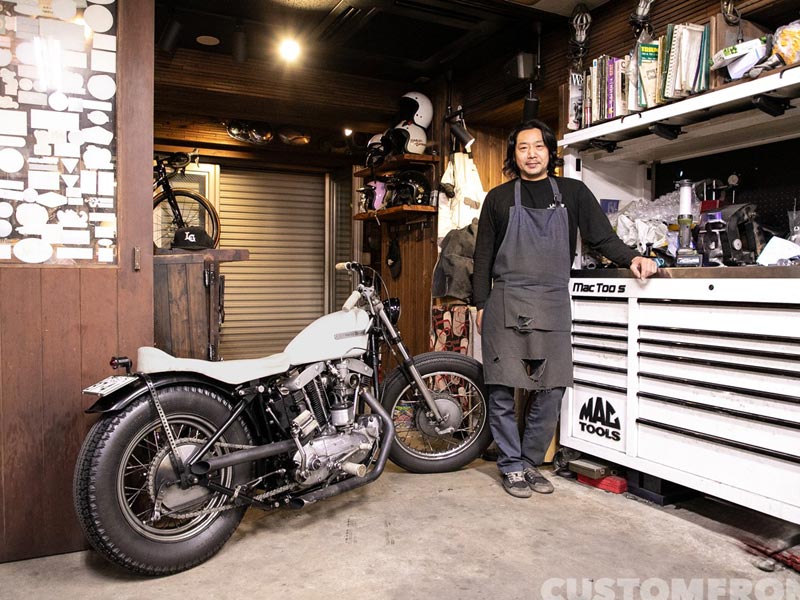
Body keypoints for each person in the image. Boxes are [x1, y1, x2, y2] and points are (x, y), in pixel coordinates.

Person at [472, 119, 658, 498]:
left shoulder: (573, 192)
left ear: (549, 151)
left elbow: (601, 237)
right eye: (523, 147)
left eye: (538, 146)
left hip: (553, 300)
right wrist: (479, 303)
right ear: (513, 155)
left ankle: (528, 461)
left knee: (553, 386)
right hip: (505, 299)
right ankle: (510, 465)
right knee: (502, 387)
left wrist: (633, 257)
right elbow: (482, 257)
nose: (531, 154)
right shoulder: (499, 198)